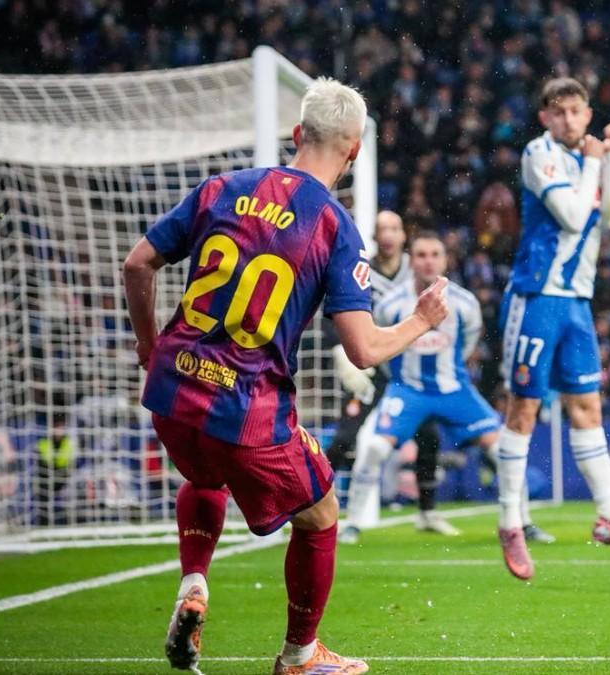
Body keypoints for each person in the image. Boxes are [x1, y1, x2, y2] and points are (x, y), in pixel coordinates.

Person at [122, 78, 449, 675]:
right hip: (243, 404)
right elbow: (364, 349)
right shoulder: (334, 225)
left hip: (171, 389)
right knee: (321, 514)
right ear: (353, 153)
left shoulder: (222, 188)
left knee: (202, 471)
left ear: (298, 135)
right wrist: (420, 320)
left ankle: (194, 581)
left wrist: (149, 344)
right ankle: (301, 655)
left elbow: (137, 263)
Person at [495, 77, 610, 582]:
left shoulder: (588, 155)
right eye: (558, 112)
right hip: (537, 295)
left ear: (588, 114)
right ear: (545, 117)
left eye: (576, 111)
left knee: (586, 408)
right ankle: (510, 523)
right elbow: (569, 216)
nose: (567, 120)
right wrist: (592, 160)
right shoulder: (537, 154)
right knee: (523, 408)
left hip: (576, 302)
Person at [341, 231, 501, 542]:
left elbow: (468, 344)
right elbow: (384, 348)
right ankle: (354, 523)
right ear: (411, 261)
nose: (428, 261)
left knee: (502, 449)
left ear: (445, 260)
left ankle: (517, 522)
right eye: (421, 255)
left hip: (454, 389)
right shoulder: (391, 304)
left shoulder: (465, 304)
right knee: (372, 447)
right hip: (408, 390)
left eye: (435, 254)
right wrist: (403, 377)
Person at [327, 210, 449, 536]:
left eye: (395, 228)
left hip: (408, 371)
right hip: (371, 368)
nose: (390, 235)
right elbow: (335, 309)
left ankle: (427, 512)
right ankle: (313, 503)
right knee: (344, 437)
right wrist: (341, 352)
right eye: (384, 229)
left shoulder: (418, 272)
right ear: (375, 235)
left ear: (403, 236)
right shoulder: (360, 269)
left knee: (430, 435)